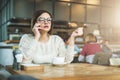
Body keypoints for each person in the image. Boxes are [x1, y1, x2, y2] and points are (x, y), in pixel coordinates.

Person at [19, 10, 83, 64]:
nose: (46, 22)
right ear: (35, 23)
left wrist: (72, 37)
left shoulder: (56, 40)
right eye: (41, 19)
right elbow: (25, 61)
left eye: (49, 19)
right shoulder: (26, 38)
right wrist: (36, 37)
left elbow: (67, 60)